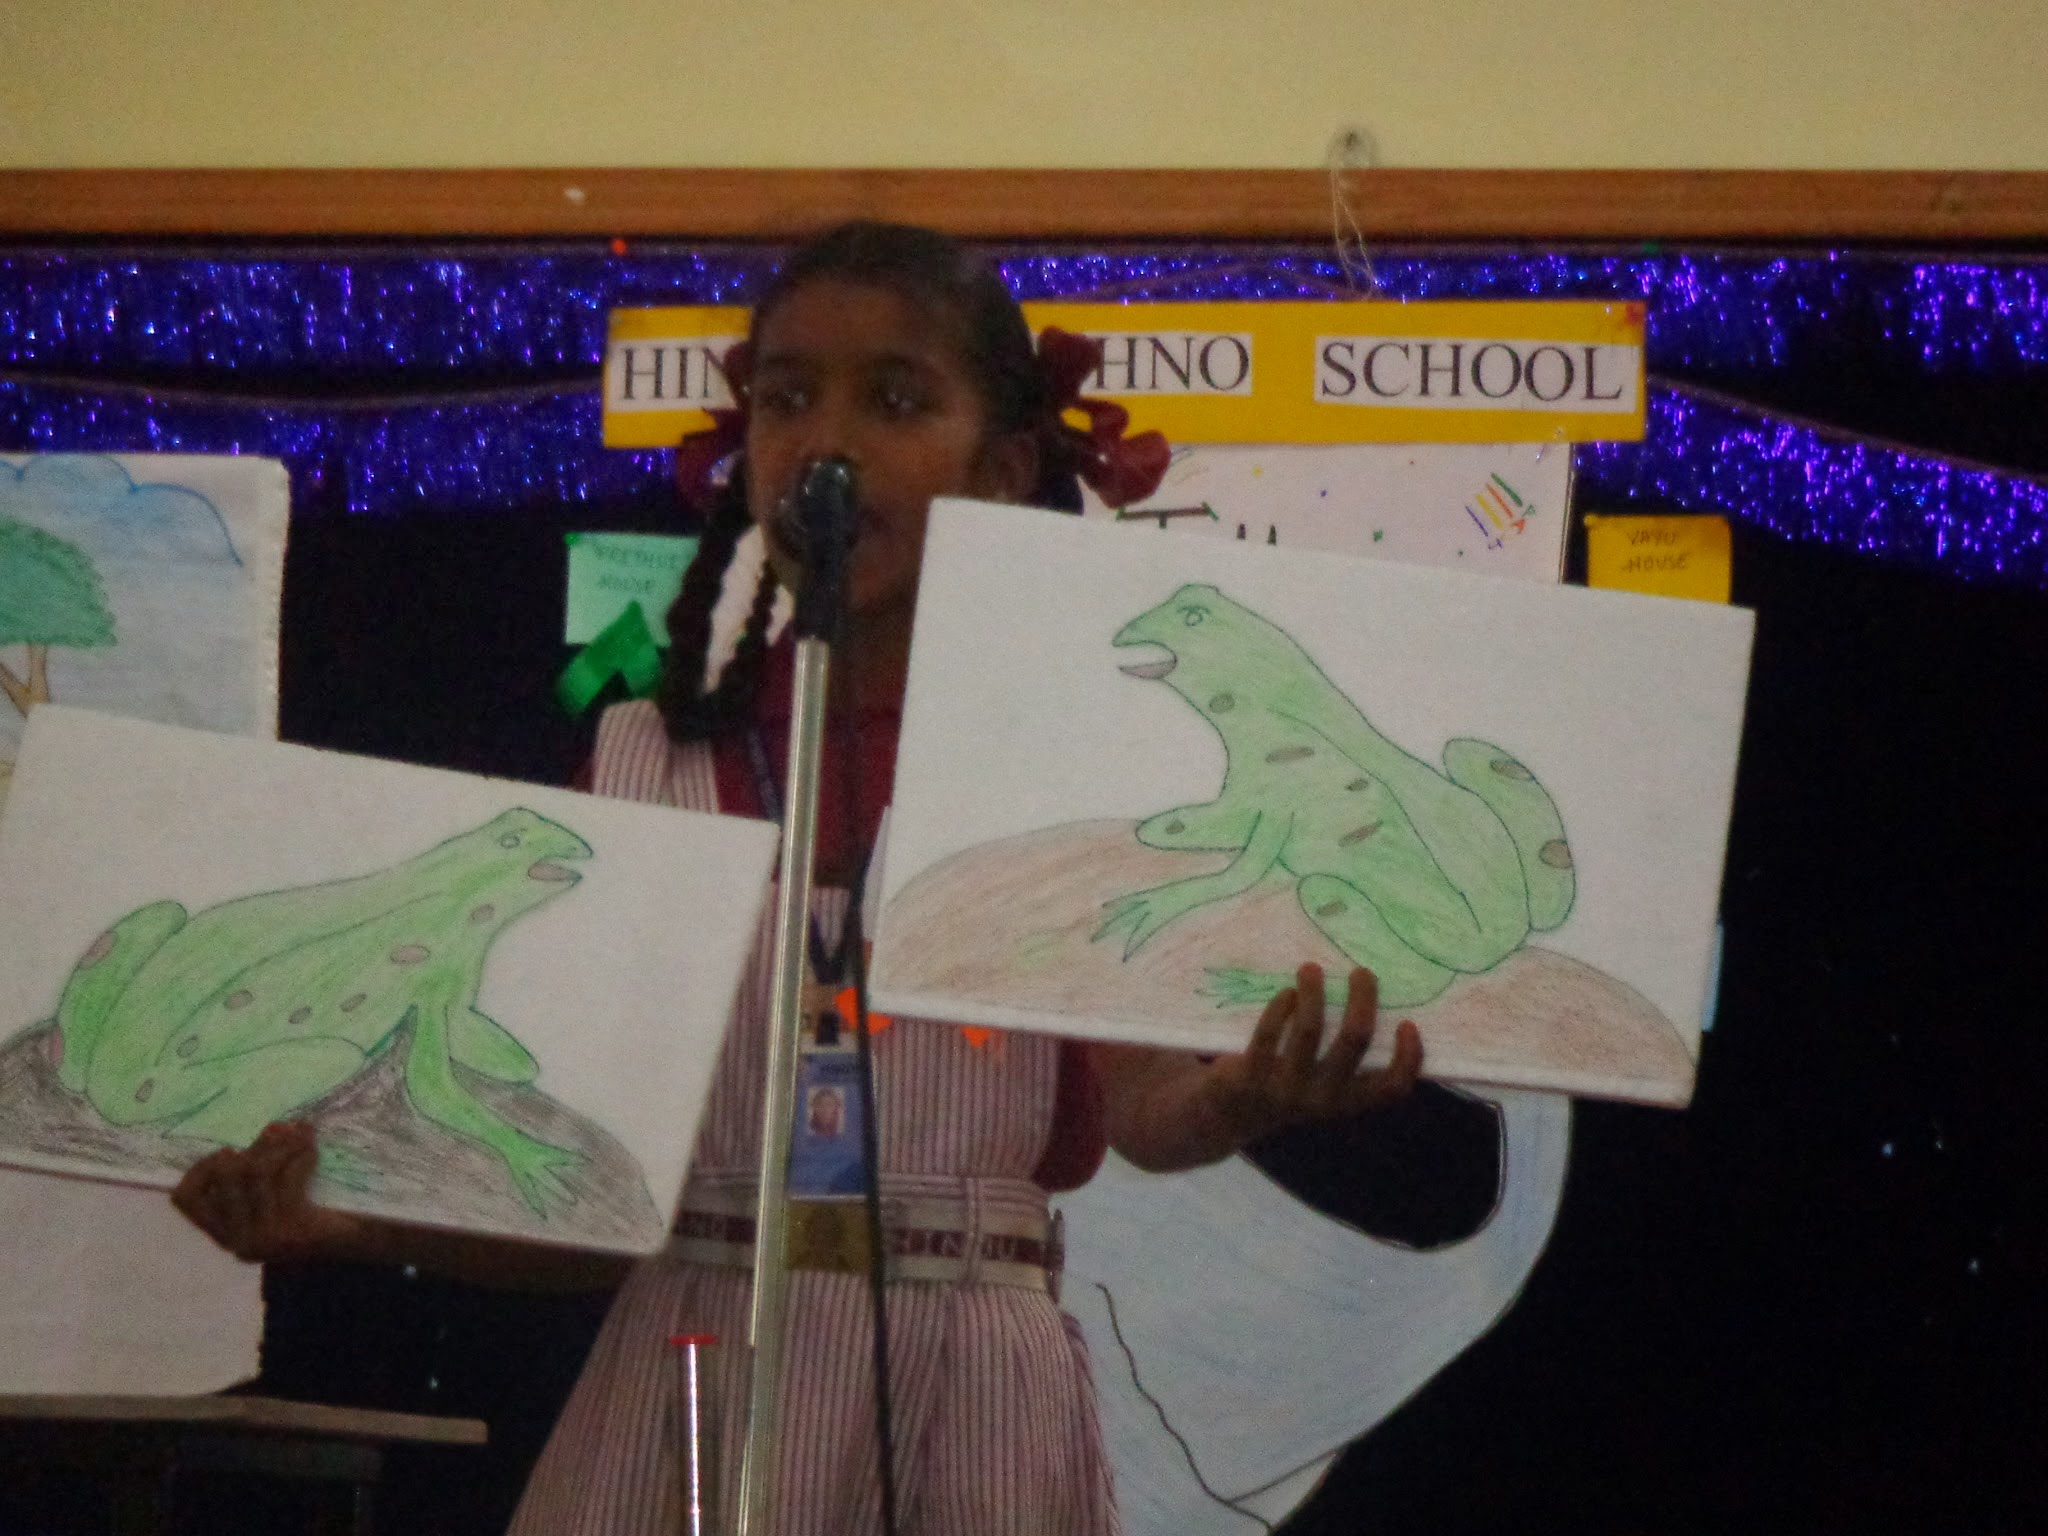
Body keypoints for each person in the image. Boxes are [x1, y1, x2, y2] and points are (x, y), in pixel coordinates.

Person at [173, 222, 1423, 1536]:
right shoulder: (646, 762)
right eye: (786, 398)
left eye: (895, 400)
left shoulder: (1067, 768)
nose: (828, 442)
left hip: (974, 1395)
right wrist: (349, 1225)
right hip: (702, 1373)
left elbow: (1149, 1112)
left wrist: (1249, 1094)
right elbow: (593, 1201)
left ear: (1002, 469)